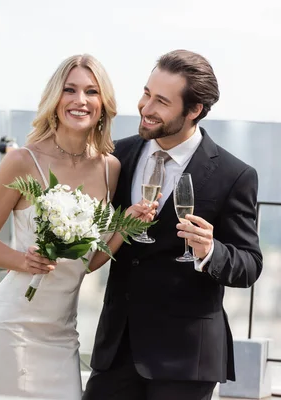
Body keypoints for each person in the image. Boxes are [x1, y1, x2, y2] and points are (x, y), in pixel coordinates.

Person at [0, 54, 156, 399]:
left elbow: (89, 262)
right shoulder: (21, 161)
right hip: (11, 329)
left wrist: (125, 226)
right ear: (55, 99)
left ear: (103, 104)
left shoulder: (109, 169)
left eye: (91, 91)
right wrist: (24, 260)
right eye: (70, 90)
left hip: (62, 336)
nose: (80, 100)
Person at [82, 49, 263, 400]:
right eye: (146, 94)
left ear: (194, 110)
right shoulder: (117, 156)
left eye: (161, 101)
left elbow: (249, 265)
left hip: (186, 358)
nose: (146, 108)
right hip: (117, 348)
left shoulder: (234, 175)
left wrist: (211, 250)